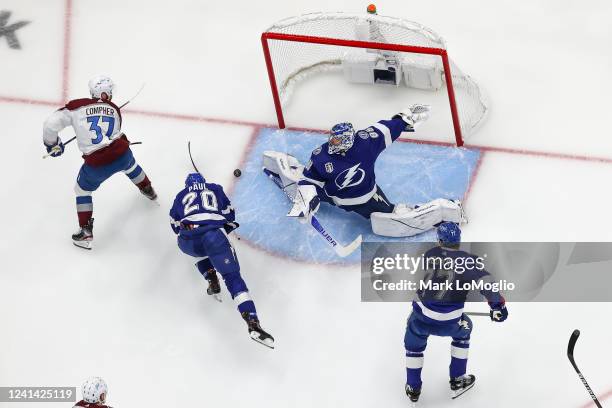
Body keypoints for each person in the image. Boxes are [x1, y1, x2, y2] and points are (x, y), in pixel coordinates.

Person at [262, 105, 465, 237]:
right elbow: (310, 180)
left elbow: (385, 129)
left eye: (338, 140)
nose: (332, 143)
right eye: (332, 138)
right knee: (300, 187)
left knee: (392, 216)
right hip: (332, 195)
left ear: (349, 140)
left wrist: (405, 119)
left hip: (365, 199)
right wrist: (306, 201)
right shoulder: (321, 155)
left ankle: (445, 209)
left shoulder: (365, 143)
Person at [42, 75, 157, 249]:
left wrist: (52, 144)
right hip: (122, 154)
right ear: (105, 94)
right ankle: (148, 189)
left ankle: (85, 232)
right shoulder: (114, 109)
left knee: (82, 190)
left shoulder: (76, 106)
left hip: (97, 164)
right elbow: (109, 132)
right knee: (131, 165)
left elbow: (50, 124)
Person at [403, 222, 508, 404]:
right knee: (465, 328)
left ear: (440, 241)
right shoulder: (468, 261)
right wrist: (498, 307)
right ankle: (458, 379)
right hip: (450, 323)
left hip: (421, 318)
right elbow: (487, 285)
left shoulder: (429, 254)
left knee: (413, 337)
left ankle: (413, 387)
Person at [170, 172, 274, 349]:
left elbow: (174, 225)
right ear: (203, 182)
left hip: (187, 241)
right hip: (213, 236)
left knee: (200, 252)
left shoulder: (181, 195)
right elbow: (229, 213)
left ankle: (210, 275)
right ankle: (252, 321)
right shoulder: (215, 188)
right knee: (232, 277)